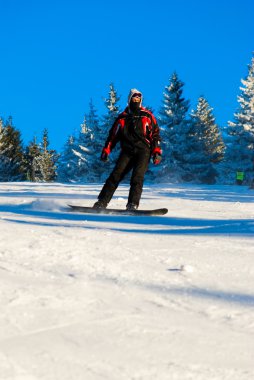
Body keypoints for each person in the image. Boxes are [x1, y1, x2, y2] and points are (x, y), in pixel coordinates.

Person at [93, 88, 162, 210]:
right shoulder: (122, 118)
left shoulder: (147, 115)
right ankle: (101, 202)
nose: (137, 99)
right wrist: (106, 150)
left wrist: (156, 151)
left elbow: (155, 134)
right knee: (115, 175)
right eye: (134, 97)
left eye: (139, 98)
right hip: (127, 151)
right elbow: (112, 136)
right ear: (130, 99)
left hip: (143, 151)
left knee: (137, 177)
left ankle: (132, 204)